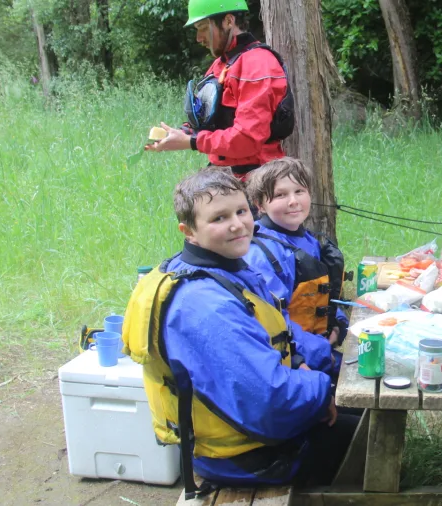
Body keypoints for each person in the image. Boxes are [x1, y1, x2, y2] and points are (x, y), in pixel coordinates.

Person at [128, 167, 357, 495]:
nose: (237, 224)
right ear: (189, 230)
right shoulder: (205, 305)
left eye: (240, 211)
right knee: (367, 432)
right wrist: (321, 391)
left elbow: (276, 331)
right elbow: (269, 401)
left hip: (244, 425)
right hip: (240, 454)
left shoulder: (220, 268)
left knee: (354, 401)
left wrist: (319, 365)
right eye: (218, 218)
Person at [145, 0, 291, 180]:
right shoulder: (221, 64)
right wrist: (180, 133)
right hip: (225, 178)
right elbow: (206, 121)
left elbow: (247, 139)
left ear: (229, 21)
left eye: (203, 28)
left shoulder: (257, 65)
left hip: (257, 183)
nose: (199, 38)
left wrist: (192, 141)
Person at [244, 157, 349, 351]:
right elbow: (273, 325)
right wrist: (321, 351)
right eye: (280, 195)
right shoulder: (261, 255)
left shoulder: (308, 239)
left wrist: (338, 323)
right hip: (293, 357)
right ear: (260, 205)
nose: (293, 201)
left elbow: (323, 296)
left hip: (320, 344)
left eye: (299, 191)